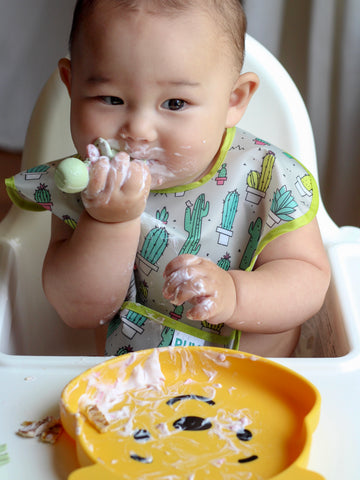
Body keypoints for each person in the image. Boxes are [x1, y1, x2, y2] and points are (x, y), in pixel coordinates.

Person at [8, 0, 331, 357]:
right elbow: (80, 310)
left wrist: (235, 295)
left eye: (175, 103)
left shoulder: (267, 178)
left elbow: (309, 280)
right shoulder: (87, 190)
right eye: (111, 99)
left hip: (255, 386)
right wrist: (109, 223)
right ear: (71, 86)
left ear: (234, 101)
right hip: (125, 388)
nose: (139, 130)